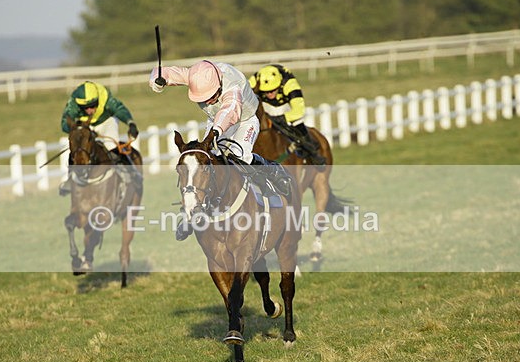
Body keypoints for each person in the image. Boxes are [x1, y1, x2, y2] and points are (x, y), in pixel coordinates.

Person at [149, 60, 291, 241]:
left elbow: (230, 111)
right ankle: (190, 213)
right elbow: (165, 72)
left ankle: (273, 172)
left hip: (245, 120)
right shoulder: (197, 75)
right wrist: (158, 80)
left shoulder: (233, 85)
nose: (208, 101)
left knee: (241, 157)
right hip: (217, 121)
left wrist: (214, 133)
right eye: (203, 99)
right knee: (206, 163)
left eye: (211, 96)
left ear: (219, 85)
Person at [58, 81, 140, 195]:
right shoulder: (73, 103)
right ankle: (70, 178)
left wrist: (131, 123)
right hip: (86, 125)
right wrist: (80, 129)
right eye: (85, 107)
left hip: (106, 121)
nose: (90, 110)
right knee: (77, 150)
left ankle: (130, 172)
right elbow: (64, 124)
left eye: (93, 105)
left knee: (111, 146)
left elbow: (119, 109)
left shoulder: (103, 95)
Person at [249, 64, 325, 165]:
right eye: (266, 91)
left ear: (279, 84)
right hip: (265, 106)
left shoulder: (290, 84)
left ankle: (313, 152)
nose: (270, 94)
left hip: (285, 105)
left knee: (297, 122)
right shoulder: (253, 81)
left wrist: (282, 118)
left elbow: (298, 111)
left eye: (272, 90)